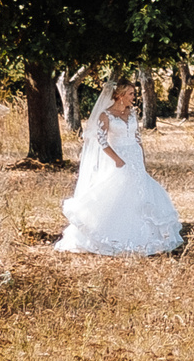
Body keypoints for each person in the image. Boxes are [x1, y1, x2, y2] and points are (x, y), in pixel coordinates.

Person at [54, 79, 185, 255]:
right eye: (131, 94)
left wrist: (142, 158)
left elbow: (137, 137)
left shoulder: (131, 114)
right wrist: (117, 159)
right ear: (120, 95)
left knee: (141, 192)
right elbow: (101, 141)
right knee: (118, 193)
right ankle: (112, 234)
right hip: (119, 157)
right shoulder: (105, 115)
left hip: (135, 157)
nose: (134, 97)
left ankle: (146, 238)